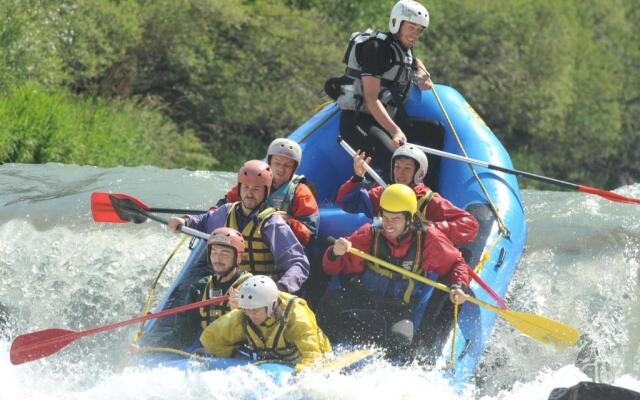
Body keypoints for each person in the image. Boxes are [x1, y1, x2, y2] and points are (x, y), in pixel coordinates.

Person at [319, 184, 469, 361]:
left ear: (410, 219)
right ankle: (322, 352)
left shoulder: (429, 240)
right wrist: (334, 253)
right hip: (363, 297)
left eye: (395, 219)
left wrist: (458, 286)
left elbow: (456, 263)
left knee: (402, 341)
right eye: (385, 217)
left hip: (398, 309)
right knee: (331, 302)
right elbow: (331, 268)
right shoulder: (369, 233)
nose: (388, 224)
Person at [168, 160, 309, 294]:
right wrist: (185, 220)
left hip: (260, 293)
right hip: (231, 287)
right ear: (240, 188)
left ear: (266, 192)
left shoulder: (273, 223)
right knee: (196, 289)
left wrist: (281, 288)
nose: (249, 193)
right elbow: (203, 222)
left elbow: (298, 263)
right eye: (246, 187)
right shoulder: (227, 211)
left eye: (256, 189)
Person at [332, 0, 433, 177]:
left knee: (434, 130)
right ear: (397, 23)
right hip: (359, 120)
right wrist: (395, 131)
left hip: (384, 121)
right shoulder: (376, 48)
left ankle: (427, 190)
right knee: (397, 160)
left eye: (420, 30)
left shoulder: (403, 48)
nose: (415, 34)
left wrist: (421, 75)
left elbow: (414, 62)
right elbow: (370, 98)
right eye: (411, 27)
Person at [337, 144, 479, 246]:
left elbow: (470, 225)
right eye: (397, 167)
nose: (400, 173)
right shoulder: (385, 193)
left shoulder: (428, 201)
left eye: (407, 168)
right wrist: (356, 178)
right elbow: (348, 203)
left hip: (413, 262)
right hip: (384, 252)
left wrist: (432, 228)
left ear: (419, 173)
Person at [145, 227, 252, 348]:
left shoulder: (251, 288)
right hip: (212, 352)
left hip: (241, 354)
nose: (217, 259)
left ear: (238, 257)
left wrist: (240, 313)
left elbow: (261, 334)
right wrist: (149, 347)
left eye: (224, 253)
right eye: (214, 252)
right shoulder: (200, 288)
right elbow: (182, 335)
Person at [200, 275, 332, 373]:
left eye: (256, 311)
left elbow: (313, 356)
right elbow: (209, 338)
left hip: (313, 356)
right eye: (247, 310)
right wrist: (236, 356)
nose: (251, 316)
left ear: (271, 306)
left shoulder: (296, 315)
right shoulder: (243, 315)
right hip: (271, 362)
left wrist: (300, 374)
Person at [217, 138, 319, 246]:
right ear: (269, 163)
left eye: (287, 166)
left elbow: (310, 235)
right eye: (277, 164)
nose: (281, 170)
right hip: (243, 245)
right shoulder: (251, 179)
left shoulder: (301, 192)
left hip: (279, 251)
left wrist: (288, 223)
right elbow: (222, 207)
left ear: (294, 168)